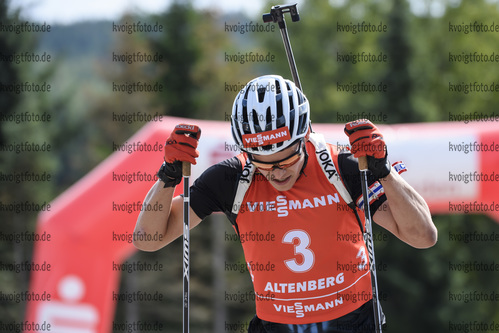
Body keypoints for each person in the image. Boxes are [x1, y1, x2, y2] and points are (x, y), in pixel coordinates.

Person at [133, 74, 437, 332]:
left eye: (286, 160)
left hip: (351, 322)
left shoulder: (341, 167)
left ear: (303, 136)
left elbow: (422, 236)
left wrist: (383, 173)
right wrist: (168, 176)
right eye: (263, 162)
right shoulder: (231, 178)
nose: (276, 173)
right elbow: (148, 239)